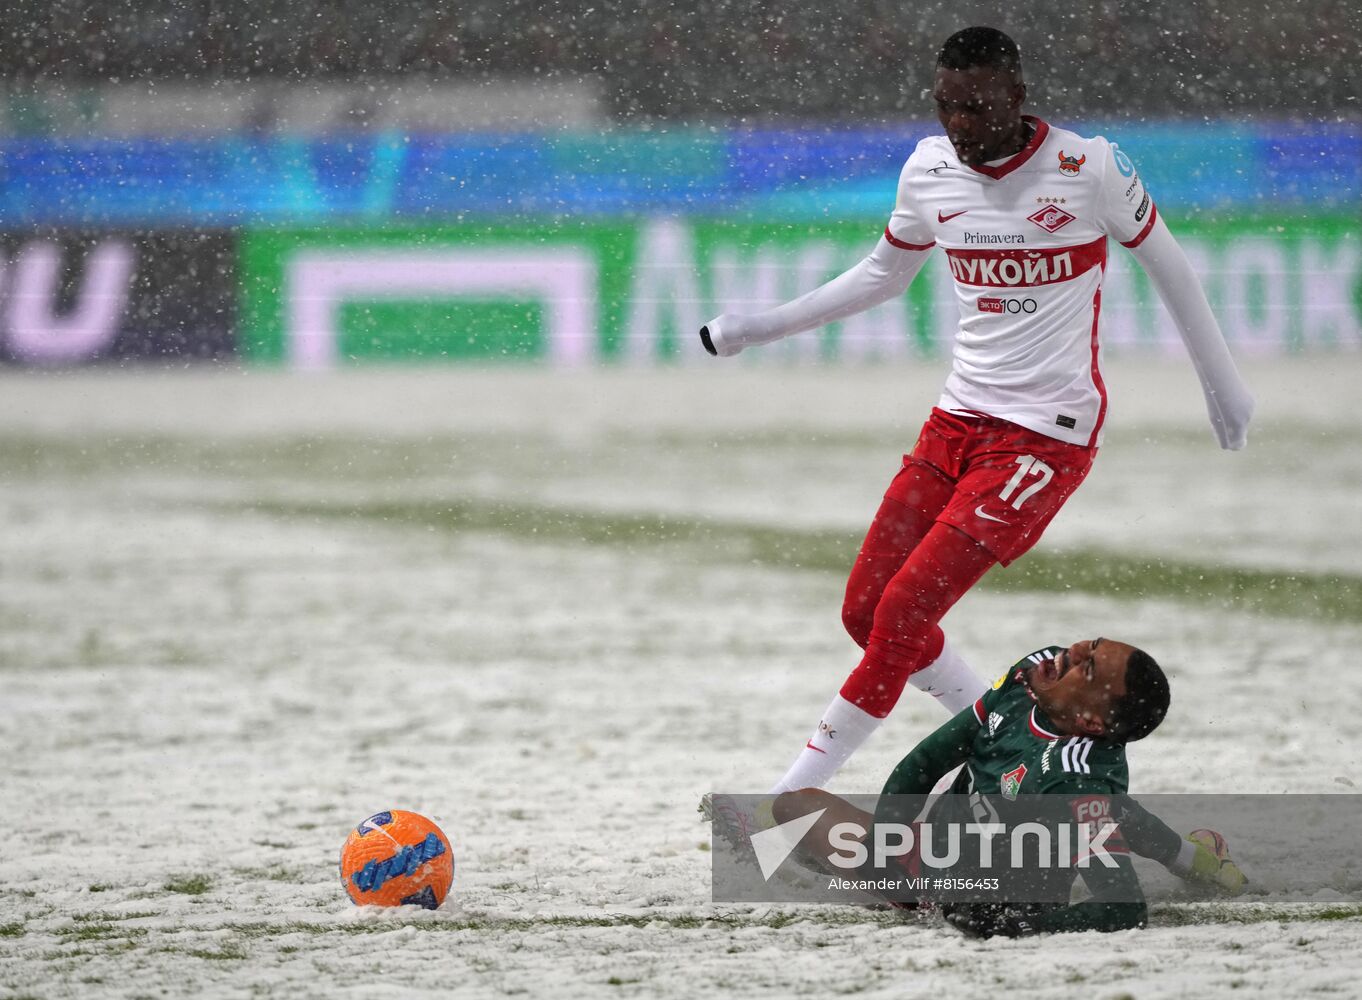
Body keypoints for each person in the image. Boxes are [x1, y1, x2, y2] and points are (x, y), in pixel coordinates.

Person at [699, 26, 1254, 795]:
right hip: (955, 422)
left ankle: (789, 798)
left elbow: (1170, 264)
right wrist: (757, 327)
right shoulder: (928, 169)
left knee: (900, 615)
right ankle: (996, 728)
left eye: (975, 107)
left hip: (1045, 437)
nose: (958, 125)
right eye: (946, 107)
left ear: (1017, 97)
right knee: (866, 612)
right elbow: (881, 277)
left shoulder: (1088, 166)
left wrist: (1221, 383)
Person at [770, 637, 1246, 936]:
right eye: (1093, 644)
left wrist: (1021, 923)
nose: (1074, 651)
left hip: (990, 892)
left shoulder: (1078, 785)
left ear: (1090, 721)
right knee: (793, 809)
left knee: (1107, 812)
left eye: (1090, 667)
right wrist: (883, 844)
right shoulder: (1028, 677)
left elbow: (1122, 910)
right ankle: (1195, 858)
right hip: (928, 860)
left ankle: (1194, 859)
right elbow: (924, 763)